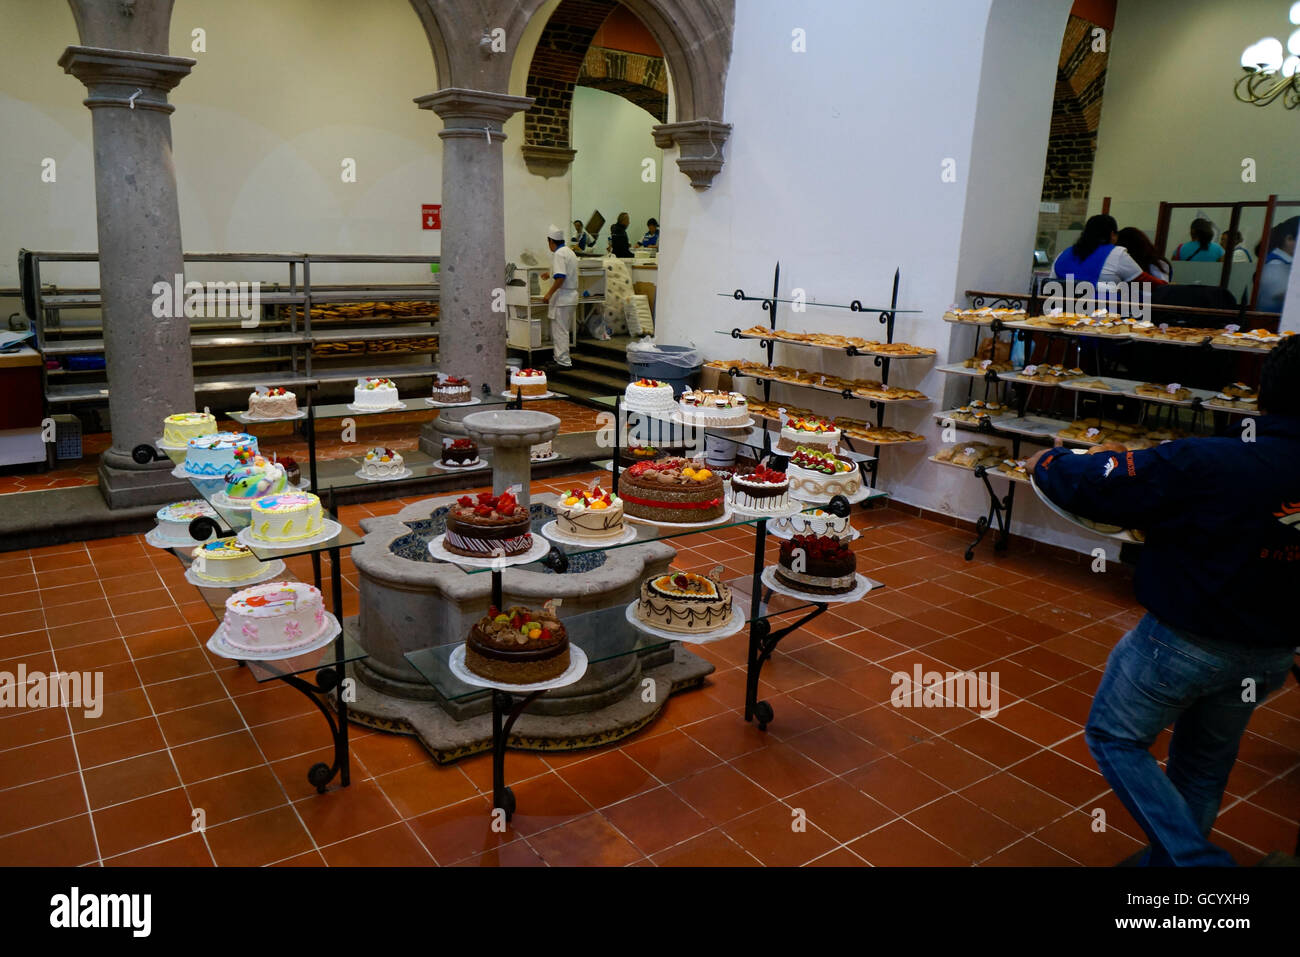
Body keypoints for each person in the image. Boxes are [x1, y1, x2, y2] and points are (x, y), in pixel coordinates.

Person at [1025, 336, 1300, 866]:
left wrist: (1050, 461)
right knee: (1202, 761)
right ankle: (1169, 872)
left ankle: (1196, 865)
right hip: (1271, 654)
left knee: (1114, 736)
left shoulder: (1211, 460)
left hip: (1183, 641)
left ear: (1264, 394)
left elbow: (1099, 483)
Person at [1052, 214, 1144, 285]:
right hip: (1103, 308)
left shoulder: (1063, 254)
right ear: (1112, 234)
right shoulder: (1117, 253)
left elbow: (1051, 282)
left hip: (1063, 308)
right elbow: (1144, 280)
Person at [541, 225, 578, 368]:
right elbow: (564, 272)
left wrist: (549, 293)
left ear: (551, 241)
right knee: (561, 330)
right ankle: (558, 358)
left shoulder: (558, 254)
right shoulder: (569, 252)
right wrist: (549, 273)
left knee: (560, 331)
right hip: (570, 296)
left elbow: (561, 277)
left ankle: (563, 362)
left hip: (563, 297)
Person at [1257, 216, 1296, 314]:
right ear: (1289, 239)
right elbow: (1278, 295)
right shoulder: (1275, 263)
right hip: (1272, 320)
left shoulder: (1287, 262)